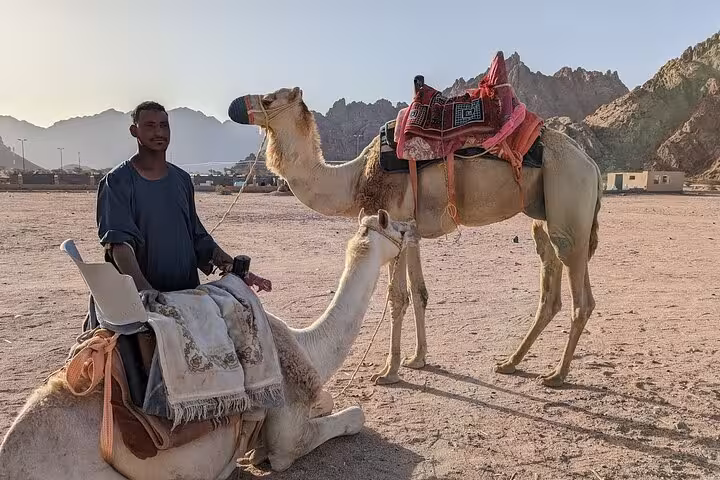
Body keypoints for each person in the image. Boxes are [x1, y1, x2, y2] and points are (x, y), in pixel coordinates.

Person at [96, 100, 271, 305]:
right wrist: (145, 290)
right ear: (134, 131)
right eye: (150, 126)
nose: (159, 132)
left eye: (164, 125)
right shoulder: (117, 181)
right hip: (142, 300)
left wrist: (235, 270)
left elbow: (198, 238)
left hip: (186, 295)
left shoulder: (181, 179)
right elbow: (119, 244)